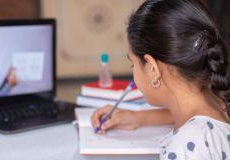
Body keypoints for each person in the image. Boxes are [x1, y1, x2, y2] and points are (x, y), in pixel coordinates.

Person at [91, 0, 230, 159]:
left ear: (152, 69)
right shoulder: (218, 100)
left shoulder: (184, 149)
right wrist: (137, 117)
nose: (133, 71)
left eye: (133, 65)